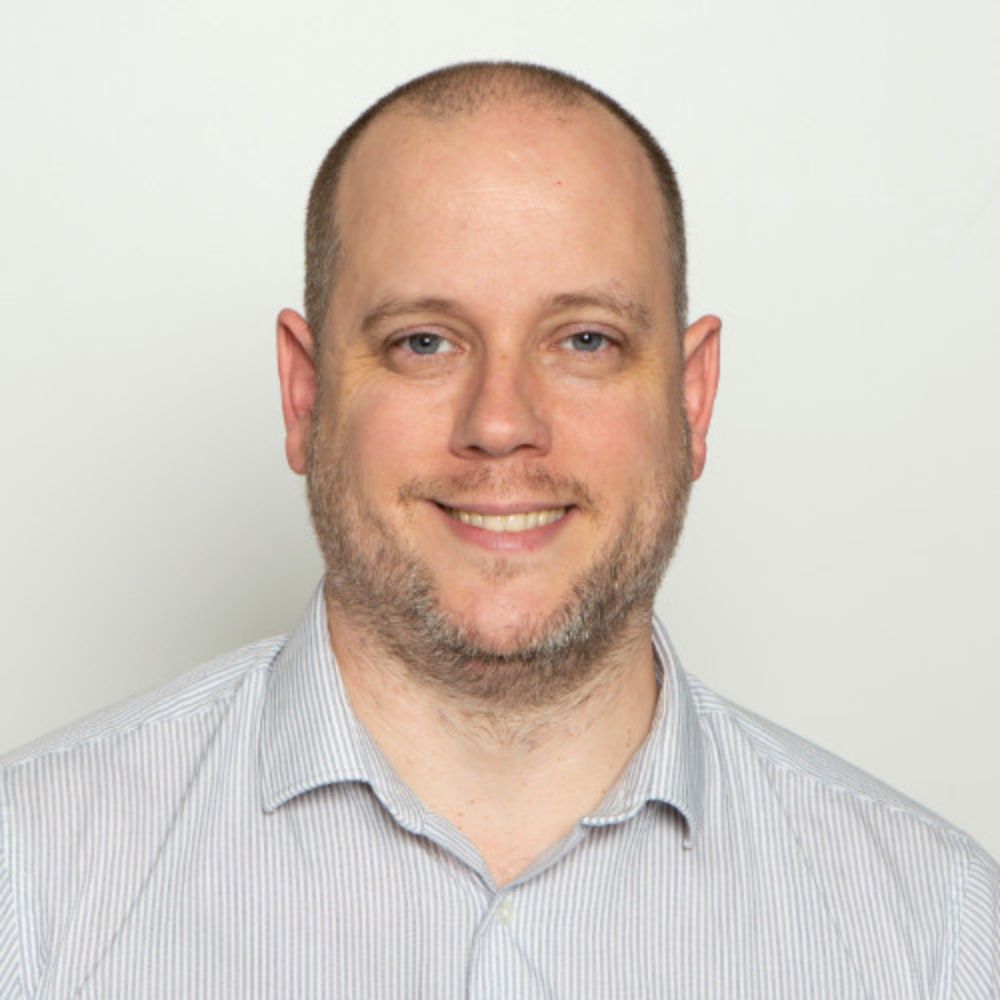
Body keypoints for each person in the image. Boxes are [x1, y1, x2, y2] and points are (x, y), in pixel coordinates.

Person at [0, 61, 996, 999]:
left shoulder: (934, 932)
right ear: (304, 395)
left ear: (692, 400)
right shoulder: (33, 885)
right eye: (423, 342)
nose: (500, 423)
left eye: (585, 341)